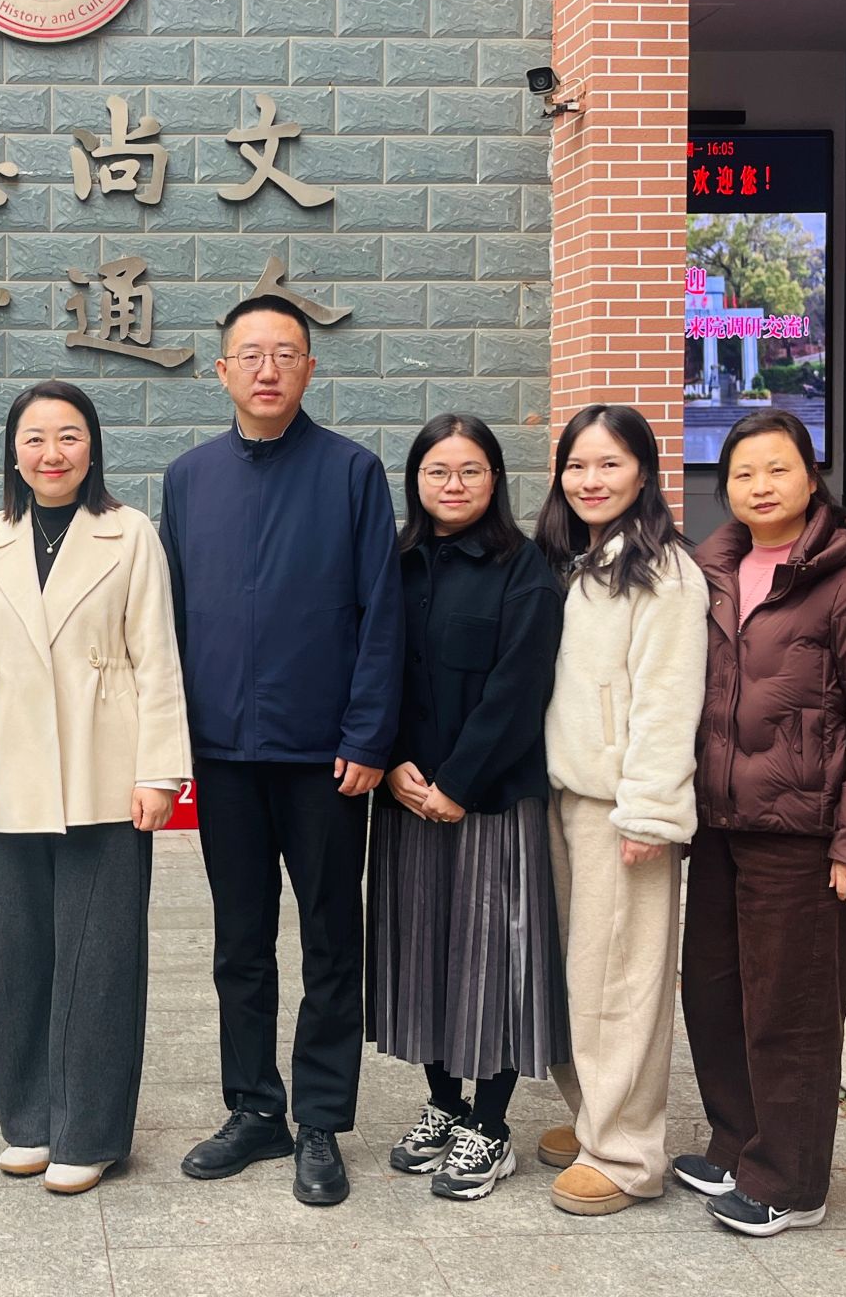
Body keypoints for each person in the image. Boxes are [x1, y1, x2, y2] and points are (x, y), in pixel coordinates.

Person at [159, 294, 404, 1207]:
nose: (268, 369)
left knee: (333, 940)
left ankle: (322, 1121)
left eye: (286, 353)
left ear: (310, 368)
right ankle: (255, 1108)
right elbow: (169, 623)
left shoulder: (351, 473)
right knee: (241, 941)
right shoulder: (188, 479)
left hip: (326, 758)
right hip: (224, 756)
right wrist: (172, 743)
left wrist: (368, 735)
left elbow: (382, 617)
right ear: (222, 370)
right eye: (250, 354)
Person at [0, 382, 191, 1195]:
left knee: (101, 959)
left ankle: (90, 1131)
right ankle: (29, 1122)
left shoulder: (129, 533)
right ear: (13, 451)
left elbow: (157, 655)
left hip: (105, 770)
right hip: (8, 774)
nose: (53, 453)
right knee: (11, 956)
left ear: (93, 447)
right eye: (36, 438)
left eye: (69, 436)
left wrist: (158, 772)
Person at [679, 410, 846, 1237]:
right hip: (720, 824)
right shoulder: (713, 571)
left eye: (778, 469)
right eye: (743, 473)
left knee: (794, 1009)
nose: (760, 487)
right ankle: (738, 1145)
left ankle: (790, 1180)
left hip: (806, 834)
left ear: (811, 479)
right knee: (713, 994)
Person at [371, 412, 567, 1204]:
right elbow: (374, 670)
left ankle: (490, 1123)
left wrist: (457, 783)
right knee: (421, 957)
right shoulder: (394, 563)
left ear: (495, 479)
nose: (453, 485)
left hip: (489, 801)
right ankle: (444, 1105)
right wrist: (390, 764)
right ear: (415, 480)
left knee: (493, 965)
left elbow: (519, 688)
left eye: (470, 470)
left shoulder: (525, 568)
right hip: (405, 796)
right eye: (437, 471)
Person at [530, 405, 707, 1215]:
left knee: (622, 981)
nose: (590, 480)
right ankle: (593, 1120)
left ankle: (628, 1153)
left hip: (621, 808)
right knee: (578, 974)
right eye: (577, 465)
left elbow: (669, 699)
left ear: (644, 472)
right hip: (565, 797)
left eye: (610, 464)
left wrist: (650, 813)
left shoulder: (663, 570)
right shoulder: (577, 561)